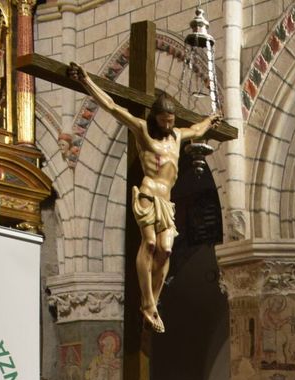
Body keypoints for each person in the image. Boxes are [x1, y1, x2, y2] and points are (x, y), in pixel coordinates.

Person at [68, 63, 216, 333]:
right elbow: (113, 107)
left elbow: (197, 130)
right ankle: (147, 302)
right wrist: (86, 82)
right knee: (149, 244)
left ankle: (151, 303)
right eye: (164, 120)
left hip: (166, 202)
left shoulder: (177, 136)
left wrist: (210, 120)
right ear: (155, 117)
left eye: (171, 120)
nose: (168, 124)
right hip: (148, 194)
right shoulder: (143, 131)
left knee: (166, 249)